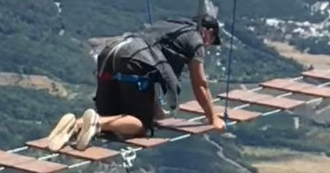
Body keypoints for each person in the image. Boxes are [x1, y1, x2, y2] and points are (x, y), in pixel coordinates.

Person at [46, 15, 225, 151]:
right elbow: (200, 83)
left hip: (111, 53)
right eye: (211, 41)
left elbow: (154, 73)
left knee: (116, 120)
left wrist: (156, 111)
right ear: (208, 33)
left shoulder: (168, 26)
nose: (208, 46)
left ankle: (77, 124)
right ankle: (89, 122)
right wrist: (213, 118)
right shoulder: (195, 38)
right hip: (135, 60)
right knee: (140, 125)